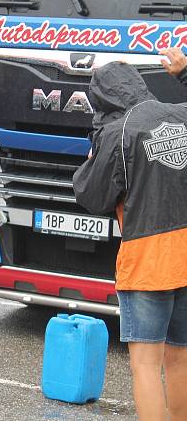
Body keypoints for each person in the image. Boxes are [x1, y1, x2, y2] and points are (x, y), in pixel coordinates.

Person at [73, 62, 187, 421]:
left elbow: (92, 196)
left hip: (148, 258)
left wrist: (92, 158)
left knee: (147, 366)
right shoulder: (181, 114)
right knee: (181, 357)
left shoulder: (117, 132)